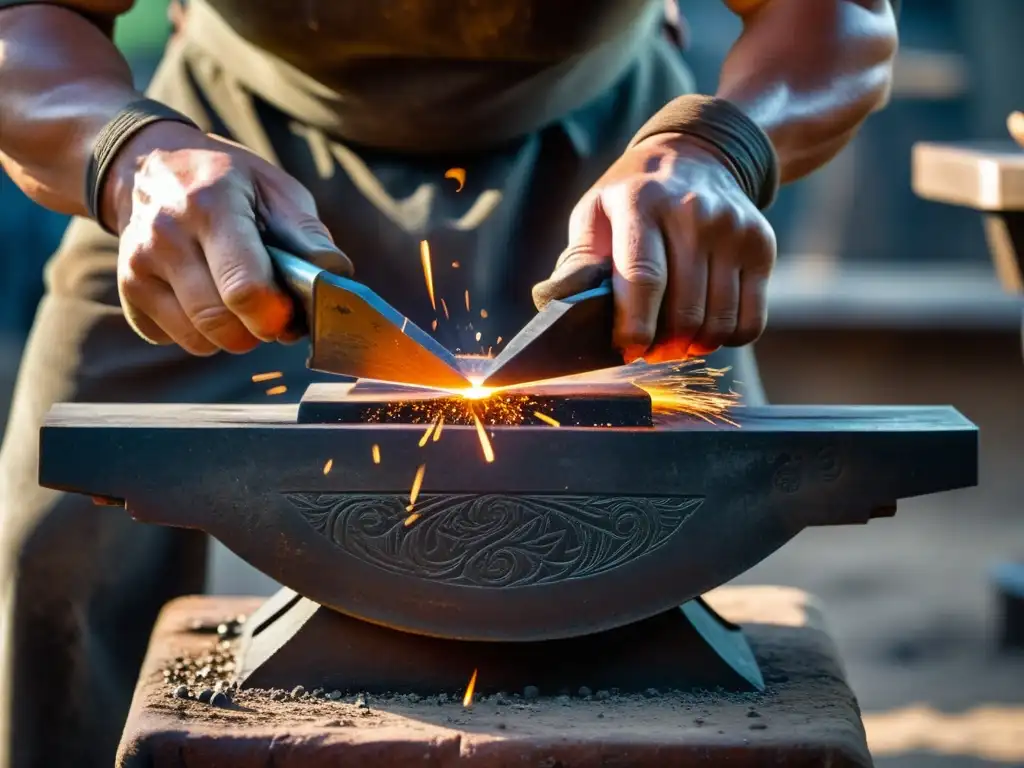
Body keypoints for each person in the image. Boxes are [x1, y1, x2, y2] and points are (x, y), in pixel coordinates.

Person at [0, 0, 898, 764]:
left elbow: (838, 20)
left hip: (618, 176)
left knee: (711, 505)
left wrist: (720, 147)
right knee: (57, 538)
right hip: (223, 171)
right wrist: (128, 156)